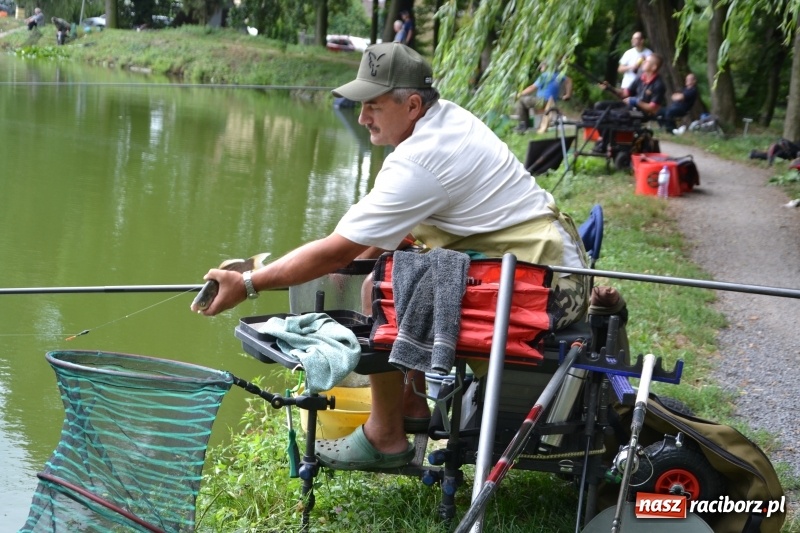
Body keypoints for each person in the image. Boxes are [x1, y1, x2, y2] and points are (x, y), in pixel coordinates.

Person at [192, 43, 589, 470]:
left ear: (412, 104)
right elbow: (385, 232)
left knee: (381, 292)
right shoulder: (443, 119)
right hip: (548, 264)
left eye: (374, 107)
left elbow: (338, 246)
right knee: (387, 275)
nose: (362, 118)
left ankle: (386, 436)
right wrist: (354, 260)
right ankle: (412, 404)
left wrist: (250, 282)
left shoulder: (421, 160)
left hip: (547, 287)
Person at [595, 53, 667, 153]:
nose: (643, 62)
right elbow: (625, 93)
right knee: (599, 106)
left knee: (616, 114)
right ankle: (604, 140)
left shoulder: (659, 85)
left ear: (654, 67)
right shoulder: (640, 78)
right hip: (630, 107)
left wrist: (636, 102)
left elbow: (653, 109)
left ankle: (605, 144)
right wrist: (610, 88)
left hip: (642, 113)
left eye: (647, 61)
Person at [513, 62, 572, 133]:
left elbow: (532, 88)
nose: (540, 69)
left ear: (546, 66)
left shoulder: (544, 76)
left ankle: (523, 126)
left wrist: (519, 94)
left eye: (541, 67)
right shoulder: (558, 75)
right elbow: (569, 80)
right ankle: (527, 125)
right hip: (552, 102)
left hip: (543, 101)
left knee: (521, 101)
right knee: (528, 101)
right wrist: (568, 94)